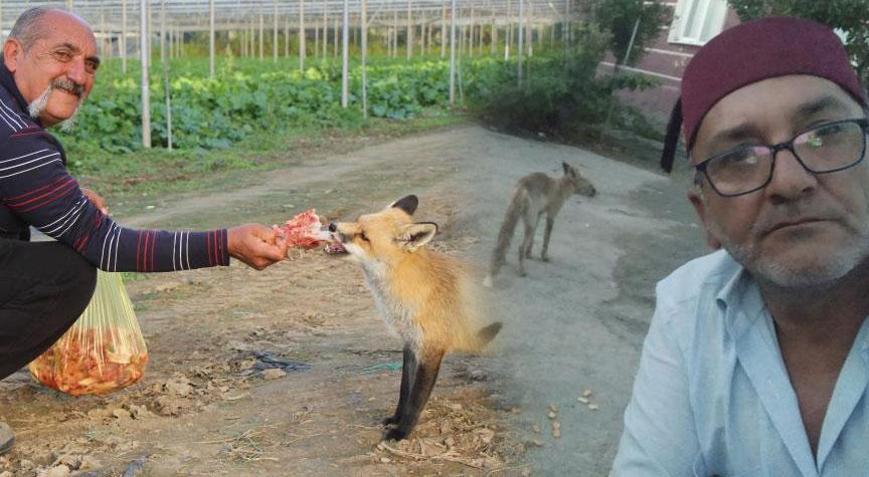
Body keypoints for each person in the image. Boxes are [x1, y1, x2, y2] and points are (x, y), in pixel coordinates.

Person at [0, 7, 290, 454]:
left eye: (90, 64)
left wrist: (61, 198)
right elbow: (105, 244)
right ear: (13, 54)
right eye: (62, 55)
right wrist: (226, 244)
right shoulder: (15, 138)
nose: (78, 75)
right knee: (68, 273)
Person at [612, 17, 869, 476]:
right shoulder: (688, 310)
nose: (790, 182)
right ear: (706, 216)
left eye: (824, 134)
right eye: (739, 157)